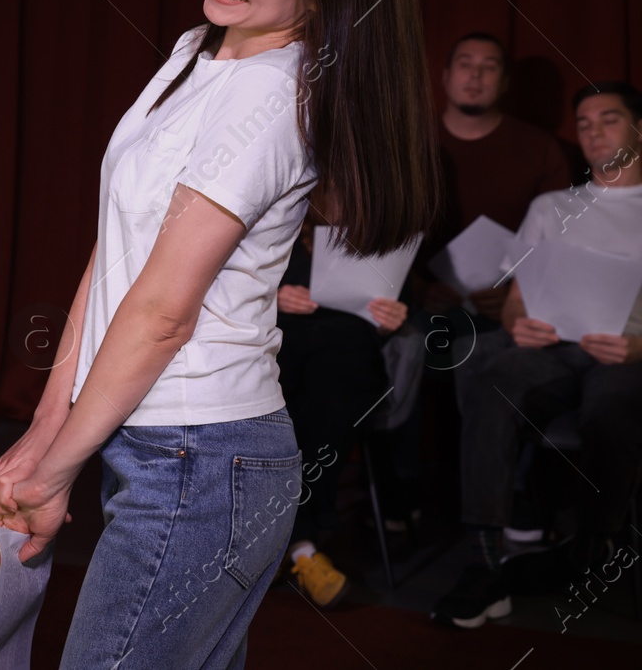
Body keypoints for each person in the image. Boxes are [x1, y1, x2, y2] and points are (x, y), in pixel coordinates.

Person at [0, 0, 438, 668]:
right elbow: (116, 248)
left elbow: (161, 311)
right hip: (167, 446)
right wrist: (45, 433)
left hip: (200, 455)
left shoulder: (269, 98)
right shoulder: (199, 47)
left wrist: (55, 472)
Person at [432, 80, 642, 629]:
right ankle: (483, 561)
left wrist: (639, 344)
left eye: (609, 119)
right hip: (554, 346)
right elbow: (516, 298)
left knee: (613, 404)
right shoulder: (553, 206)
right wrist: (518, 324)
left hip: (628, 353)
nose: (594, 132)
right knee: (490, 377)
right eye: (586, 123)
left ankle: (591, 547)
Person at [273, 195, 412, 607]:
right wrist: (272, 299)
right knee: (273, 405)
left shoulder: (380, 232)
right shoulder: (278, 223)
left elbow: (402, 311)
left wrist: (392, 321)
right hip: (282, 344)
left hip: (347, 354)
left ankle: (289, 545)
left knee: (334, 399)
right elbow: (225, 289)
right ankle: (301, 547)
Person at [418, 32, 569, 394]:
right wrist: (415, 288)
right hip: (417, 298)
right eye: (465, 65)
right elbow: (376, 226)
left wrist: (516, 298)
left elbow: (561, 241)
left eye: (489, 68)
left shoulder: (541, 149)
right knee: (400, 350)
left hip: (507, 305)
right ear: (445, 76)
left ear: (504, 83)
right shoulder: (411, 141)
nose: (475, 76)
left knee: (496, 364)